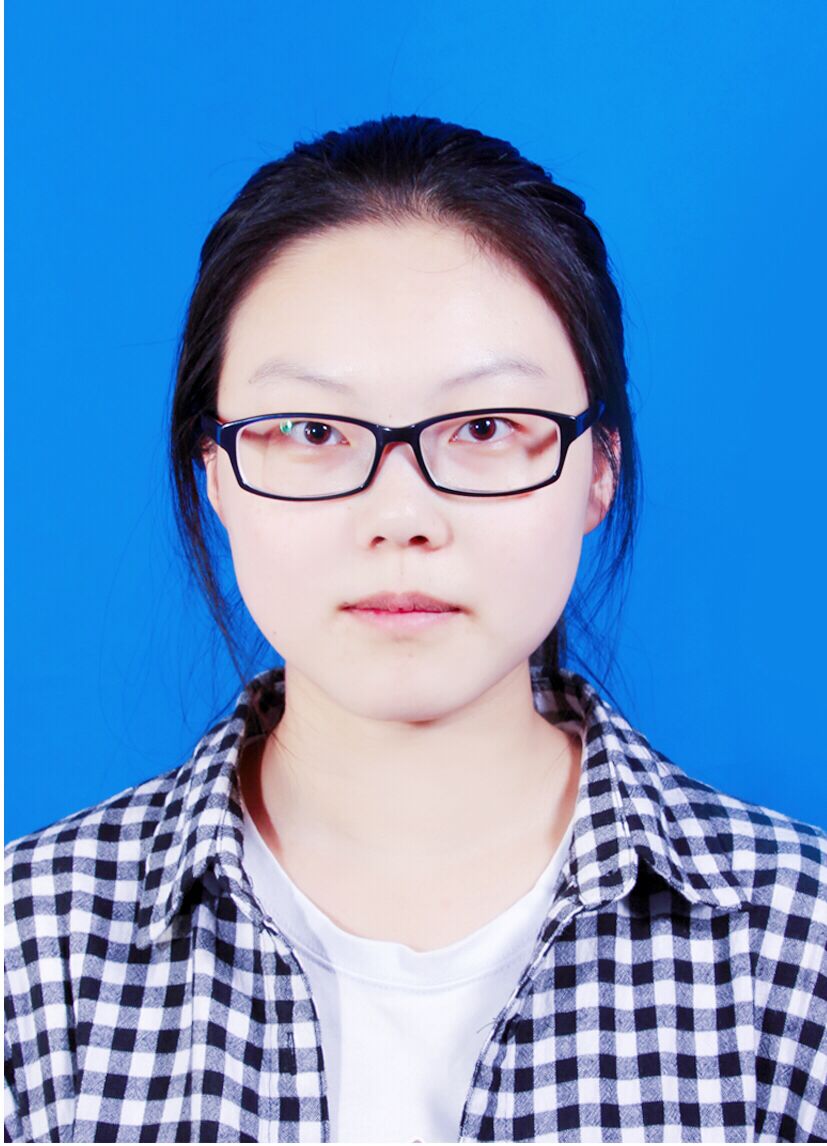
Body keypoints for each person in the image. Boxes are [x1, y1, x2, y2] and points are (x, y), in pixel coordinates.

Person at [4, 115, 826, 1145]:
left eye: (483, 427)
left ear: (598, 468)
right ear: (215, 473)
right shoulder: (30, 952)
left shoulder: (799, 950)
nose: (399, 516)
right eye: (310, 430)